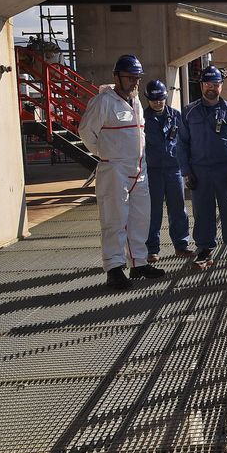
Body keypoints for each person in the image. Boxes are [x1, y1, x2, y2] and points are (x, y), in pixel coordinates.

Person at [78, 54, 165, 289]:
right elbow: (85, 131)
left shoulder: (135, 102)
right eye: (130, 77)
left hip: (138, 169)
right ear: (117, 77)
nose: (134, 82)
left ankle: (138, 262)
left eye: (137, 78)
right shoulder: (103, 102)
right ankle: (114, 268)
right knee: (114, 220)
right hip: (114, 170)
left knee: (140, 218)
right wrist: (104, 153)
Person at [177, 65, 227, 268]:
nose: (211, 88)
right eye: (207, 84)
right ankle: (205, 251)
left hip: (226, 171)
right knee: (202, 213)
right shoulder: (189, 112)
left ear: (221, 85)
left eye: (215, 84)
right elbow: (181, 144)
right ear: (201, 85)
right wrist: (187, 172)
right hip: (200, 172)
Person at [143, 79, 193, 262]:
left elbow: (186, 142)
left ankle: (181, 245)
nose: (158, 102)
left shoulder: (176, 116)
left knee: (178, 209)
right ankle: (151, 249)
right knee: (152, 211)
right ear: (147, 98)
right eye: (154, 99)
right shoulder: (141, 118)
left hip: (174, 169)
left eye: (161, 98)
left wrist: (188, 166)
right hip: (153, 171)